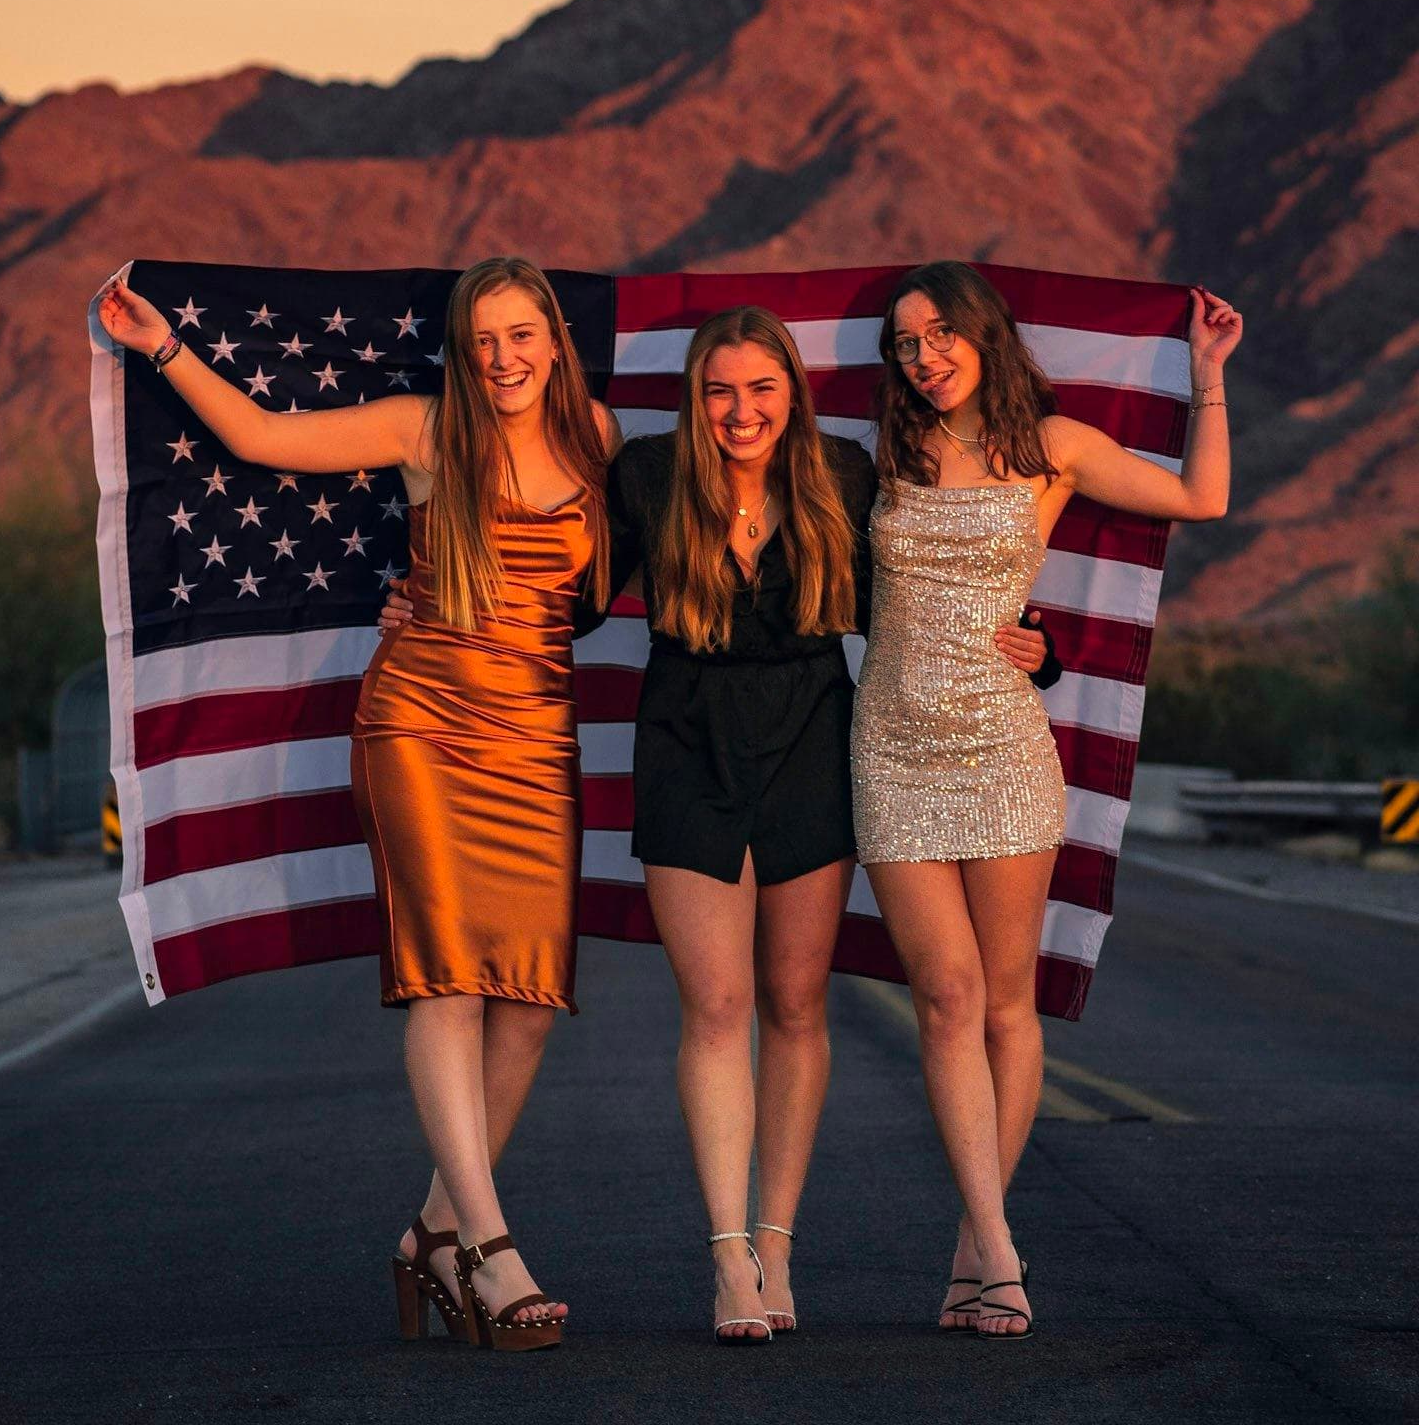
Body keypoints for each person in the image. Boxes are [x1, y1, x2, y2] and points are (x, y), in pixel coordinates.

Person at [384, 302, 1058, 1342]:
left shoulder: (843, 472)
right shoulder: (648, 475)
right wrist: (424, 597)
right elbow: (565, 594)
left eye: (760, 388)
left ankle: (777, 1241)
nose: (740, 410)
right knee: (717, 1004)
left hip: (810, 741)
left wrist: (1040, 647)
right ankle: (728, 1259)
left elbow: (922, 599)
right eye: (719, 390)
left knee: (794, 1003)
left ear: (791, 390)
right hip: (686, 740)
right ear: (697, 399)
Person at [98, 257, 619, 1355]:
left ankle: (433, 1227)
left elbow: (629, 574)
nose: (503, 356)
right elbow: (261, 437)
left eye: (522, 333)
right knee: (449, 975)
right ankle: (487, 1245)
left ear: (556, 340)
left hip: (537, 735)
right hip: (421, 722)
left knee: (528, 997)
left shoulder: (600, 439)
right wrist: (163, 346)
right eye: (483, 338)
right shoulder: (426, 428)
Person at [851, 262, 1241, 1340]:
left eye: (937, 334)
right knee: (944, 995)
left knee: (1006, 1003)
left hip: (1005, 749)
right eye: (902, 343)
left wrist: (1206, 375)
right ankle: (998, 1241)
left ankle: (981, 1245)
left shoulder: (1052, 447)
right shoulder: (883, 450)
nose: (922, 356)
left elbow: (1200, 498)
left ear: (983, 332)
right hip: (889, 748)